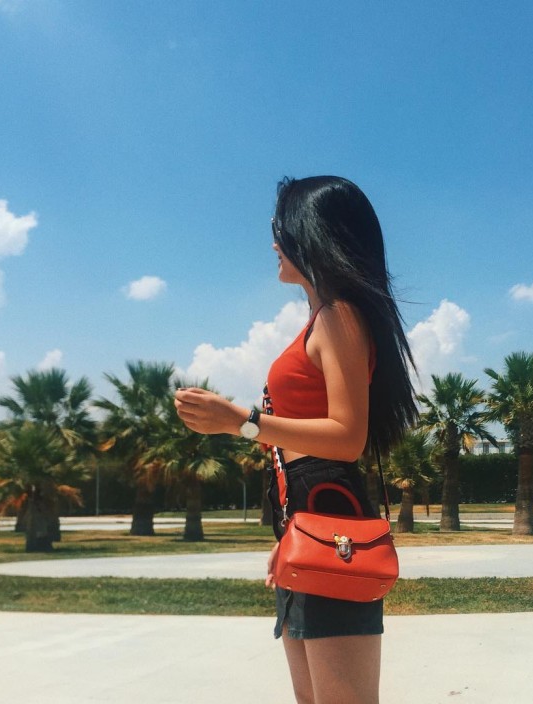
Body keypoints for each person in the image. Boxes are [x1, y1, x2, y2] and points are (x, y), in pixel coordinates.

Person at [175, 175, 418, 704]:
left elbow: (347, 437)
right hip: (307, 513)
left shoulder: (339, 316)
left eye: (279, 227)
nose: (273, 243)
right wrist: (289, 529)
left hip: (331, 512)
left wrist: (240, 421)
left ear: (314, 234)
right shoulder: (320, 319)